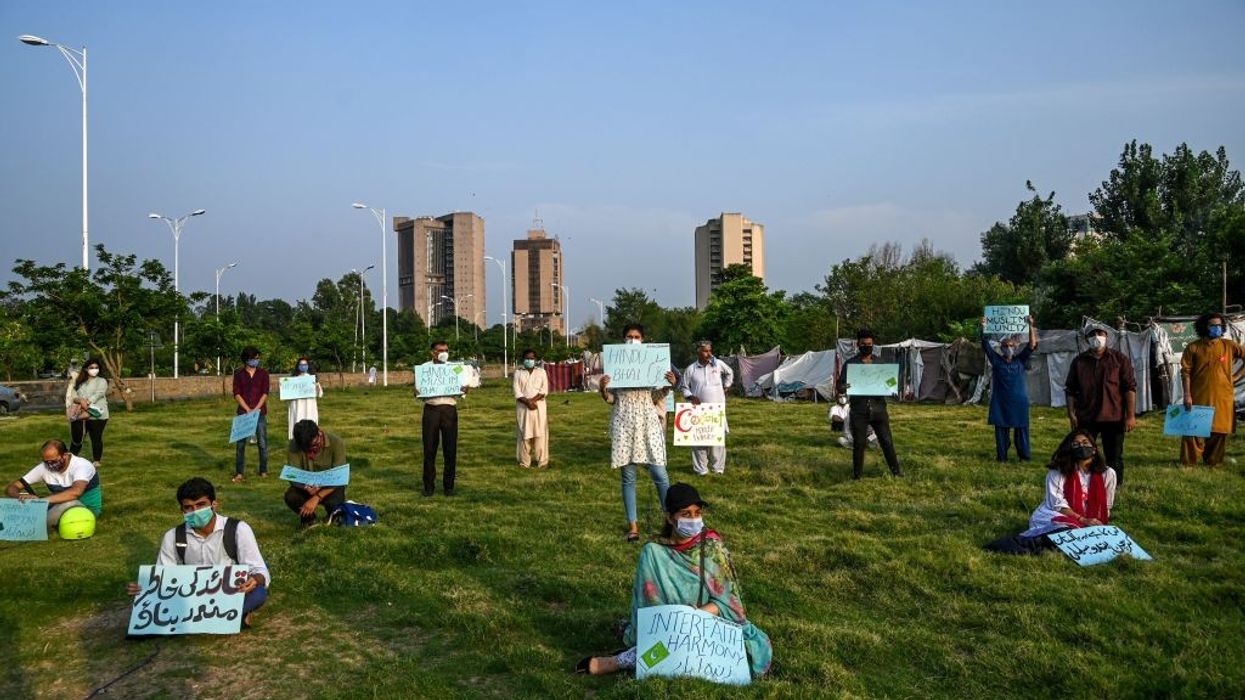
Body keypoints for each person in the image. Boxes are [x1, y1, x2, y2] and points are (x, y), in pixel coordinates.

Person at [577, 483, 772, 678]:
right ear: (670, 518)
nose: (694, 520)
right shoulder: (654, 553)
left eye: (697, 513)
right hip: (669, 627)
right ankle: (620, 662)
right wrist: (678, 621)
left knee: (750, 654)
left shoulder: (712, 549)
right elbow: (650, 610)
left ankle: (625, 660)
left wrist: (694, 616)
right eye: (686, 514)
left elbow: (732, 606)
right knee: (667, 645)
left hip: (708, 623)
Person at [125, 477, 270, 627]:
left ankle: (222, 615)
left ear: (214, 504)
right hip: (193, 596)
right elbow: (164, 576)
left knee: (258, 593)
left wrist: (256, 579)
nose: (195, 511)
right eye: (188, 507)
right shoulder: (173, 536)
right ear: (182, 510)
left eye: (201, 505)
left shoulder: (238, 529)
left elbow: (259, 570)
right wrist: (145, 587)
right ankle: (233, 616)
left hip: (232, 590)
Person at [985, 430, 1117, 555]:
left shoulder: (1108, 474)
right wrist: (1082, 519)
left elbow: (1106, 505)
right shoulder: (1058, 472)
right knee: (1066, 531)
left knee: (1085, 539)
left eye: (1085, 443)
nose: (1081, 446)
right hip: (1056, 515)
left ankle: (1046, 548)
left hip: (1089, 520)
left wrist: (1096, 524)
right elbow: (1057, 504)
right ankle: (1025, 544)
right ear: (1070, 450)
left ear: (1094, 449)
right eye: (1076, 444)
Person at [599, 324, 675, 542]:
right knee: (628, 477)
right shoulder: (615, 364)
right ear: (623, 339)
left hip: (648, 422)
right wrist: (603, 389)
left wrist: (669, 386)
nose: (633, 340)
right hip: (624, 423)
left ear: (643, 339)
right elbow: (612, 400)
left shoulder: (651, 361)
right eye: (629, 336)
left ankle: (669, 522)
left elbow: (655, 397)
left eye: (637, 336)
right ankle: (633, 526)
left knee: (660, 474)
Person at [1064, 326, 1136, 485]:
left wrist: (1130, 416)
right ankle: (1083, 483)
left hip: (1113, 416)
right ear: (1086, 339)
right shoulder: (1079, 361)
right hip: (1086, 416)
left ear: (1107, 336)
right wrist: (1071, 414)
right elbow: (1070, 390)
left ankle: (1115, 486)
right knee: (1082, 452)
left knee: (1114, 455)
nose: (1096, 337)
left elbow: (1129, 388)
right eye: (1092, 334)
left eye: (1100, 333)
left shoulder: (1119, 359)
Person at [835, 328, 902, 479]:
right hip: (859, 410)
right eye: (863, 344)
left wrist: (892, 386)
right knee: (859, 444)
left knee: (886, 441)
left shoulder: (880, 362)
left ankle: (896, 472)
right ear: (858, 345)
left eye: (869, 344)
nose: (867, 346)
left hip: (879, 408)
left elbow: (889, 381)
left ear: (873, 344)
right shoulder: (850, 364)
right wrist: (847, 386)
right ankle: (857, 475)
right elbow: (840, 386)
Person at [1180, 312, 1245, 466]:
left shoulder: (1229, 346)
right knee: (1193, 430)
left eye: (1219, 325)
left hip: (1223, 396)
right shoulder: (1193, 347)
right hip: (1198, 394)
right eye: (1213, 325)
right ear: (1204, 327)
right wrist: (1187, 395)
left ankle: (1213, 462)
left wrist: (1236, 376)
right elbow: (1185, 372)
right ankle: (1189, 462)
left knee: (1219, 430)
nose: (1217, 328)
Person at [6, 439, 104, 528]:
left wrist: (42, 502)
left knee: (70, 503)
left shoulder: (81, 465)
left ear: (65, 455)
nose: (50, 465)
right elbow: (12, 487)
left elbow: (75, 493)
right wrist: (20, 496)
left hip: (86, 509)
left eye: (54, 461)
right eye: (46, 462)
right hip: (59, 505)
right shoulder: (44, 467)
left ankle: (31, 523)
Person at [981, 315, 1038, 461]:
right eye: (1005, 346)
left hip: (1019, 401)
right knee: (1001, 429)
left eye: (1011, 346)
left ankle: (1024, 456)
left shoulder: (1020, 360)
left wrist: (1031, 326)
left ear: (1016, 347)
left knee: (1021, 429)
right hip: (1000, 401)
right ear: (1001, 348)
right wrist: (983, 327)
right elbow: (985, 344)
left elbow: (1032, 345)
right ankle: (1002, 456)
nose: (1008, 348)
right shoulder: (996, 360)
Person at [415, 340, 466, 496]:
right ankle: (428, 486)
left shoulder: (455, 368)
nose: (444, 353)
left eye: (446, 350)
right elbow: (418, 391)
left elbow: (462, 389)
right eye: (440, 350)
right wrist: (417, 392)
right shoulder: (424, 369)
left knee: (450, 449)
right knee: (429, 449)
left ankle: (448, 486)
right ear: (433, 352)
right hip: (431, 410)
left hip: (449, 409)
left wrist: (465, 389)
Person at [678, 340, 735, 475]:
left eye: (710, 351)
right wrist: (691, 397)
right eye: (705, 351)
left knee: (717, 441)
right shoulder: (691, 369)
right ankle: (701, 470)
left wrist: (726, 386)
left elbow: (730, 372)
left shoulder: (718, 364)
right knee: (699, 441)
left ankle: (718, 469)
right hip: (698, 411)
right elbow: (684, 387)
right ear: (698, 351)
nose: (708, 354)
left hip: (717, 409)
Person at [284, 419, 347, 528]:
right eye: (305, 448)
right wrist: (305, 487)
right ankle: (308, 519)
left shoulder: (336, 443)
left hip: (330, 486)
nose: (311, 449)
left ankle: (332, 515)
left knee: (335, 503)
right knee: (291, 496)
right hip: (306, 486)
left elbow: (340, 477)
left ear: (319, 433)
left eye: (313, 445)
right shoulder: (294, 445)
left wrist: (317, 497)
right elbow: (292, 475)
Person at [231, 346, 270, 483]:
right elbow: (236, 393)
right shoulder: (239, 374)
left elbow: (265, 392)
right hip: (243, 413)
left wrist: (257, 408)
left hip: (260, 413)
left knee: (262, 443)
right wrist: (247, 409)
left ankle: (264, 470)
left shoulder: (263, 374)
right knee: (240, 445)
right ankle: (239, 472)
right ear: (247, 359)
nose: (256, 361)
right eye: (254, 358)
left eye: (258, 358)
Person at [65, 358, 110, 467]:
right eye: (92, 368)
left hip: (97, 414)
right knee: (77, 438)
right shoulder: (80, 382)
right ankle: (70, 459)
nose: (94, 370)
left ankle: (96, 460)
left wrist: (87, 402)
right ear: (86, 369)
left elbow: (99, 394)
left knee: (96, 437)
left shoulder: (102, 381)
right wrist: (80, 400)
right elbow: (73, 395)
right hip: (80, 414)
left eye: (96, 368)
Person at [513, 349, 549, 469]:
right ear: (523, 359)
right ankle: (524, 462)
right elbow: (517, 392)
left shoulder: (542, 372)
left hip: (538, 408)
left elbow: (544, 390)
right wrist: (527, 402)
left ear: (536, 359)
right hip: (523, 408)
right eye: (527, 358)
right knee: (524, 435)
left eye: (532, 358)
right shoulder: (518, 373)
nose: (530, 360)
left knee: (540, 435)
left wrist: (533, 401)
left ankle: (542, 462)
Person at [286, 356, 324, 440]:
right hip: (297, 406)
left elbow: (319, 393)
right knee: (297, 423)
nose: (303, 366)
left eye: (305, 364)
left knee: (310, 427)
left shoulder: (312, 379)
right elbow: (287, 394)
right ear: (298, 366)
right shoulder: (293, 379)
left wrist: (317, 384)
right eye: (301, 364)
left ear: (308, 365)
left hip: (309, 406)